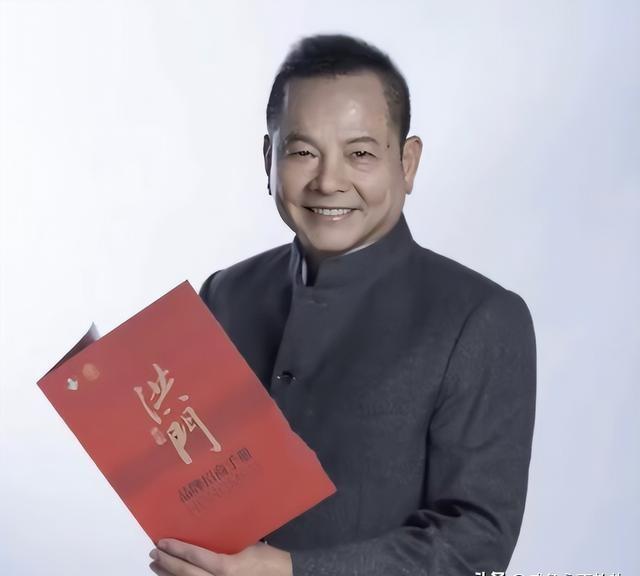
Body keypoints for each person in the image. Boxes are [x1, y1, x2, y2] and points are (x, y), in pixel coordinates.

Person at [148, 33, 536, 576]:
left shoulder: (482, 318)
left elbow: (477, 538)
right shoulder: (224, 293)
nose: (328, 181)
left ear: (407, 163)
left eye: (360, 154)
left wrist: (291, 572)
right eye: (303, 152)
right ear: (269, 159)